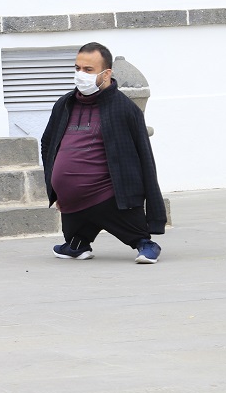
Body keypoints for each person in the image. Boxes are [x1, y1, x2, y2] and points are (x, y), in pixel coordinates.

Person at [41, 42, 165, 264]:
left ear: (106, 73)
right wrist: (55, 188)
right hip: (71, 202)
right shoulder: (64, 104)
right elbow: (47, 144)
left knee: (140, 238)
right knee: (75, 240)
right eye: (77, 68)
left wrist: (154, 211)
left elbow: (145, 157)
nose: (80, 75)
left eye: (88, 70)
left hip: (109, 197)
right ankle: (77, 244)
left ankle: (146, 245)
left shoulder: (124, 108)